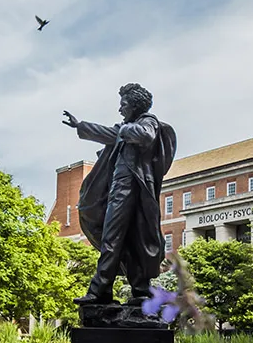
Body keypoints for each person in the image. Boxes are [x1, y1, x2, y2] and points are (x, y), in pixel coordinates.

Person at [63, 83, 176, 305]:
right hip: (119, 189)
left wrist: (122, 130)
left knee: (114, 237)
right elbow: (108, 133)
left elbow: (144, 136)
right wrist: (81, 125)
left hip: (133, 188)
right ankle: (138, 290)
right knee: (124, 239)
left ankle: (101, 291)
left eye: (123, 104)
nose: (120, 110)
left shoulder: (147, 121)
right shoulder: (126, 127)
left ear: (135, 105)